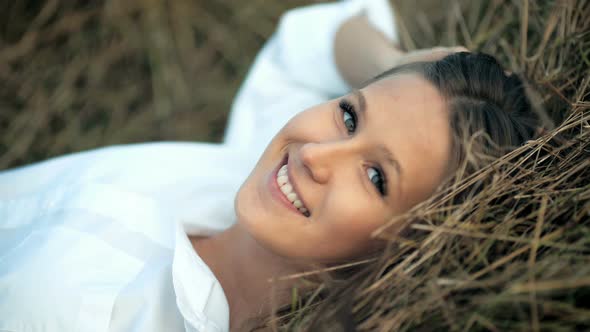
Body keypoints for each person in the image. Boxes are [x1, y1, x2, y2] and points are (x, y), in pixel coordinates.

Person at [0, 0, 542, 331]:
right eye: (350, 117)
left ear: (414, 250)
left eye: (377, 177)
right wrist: (395, 68)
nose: (313, 154)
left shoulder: (80, 311)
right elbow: (325, 36)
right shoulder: (243, 170)